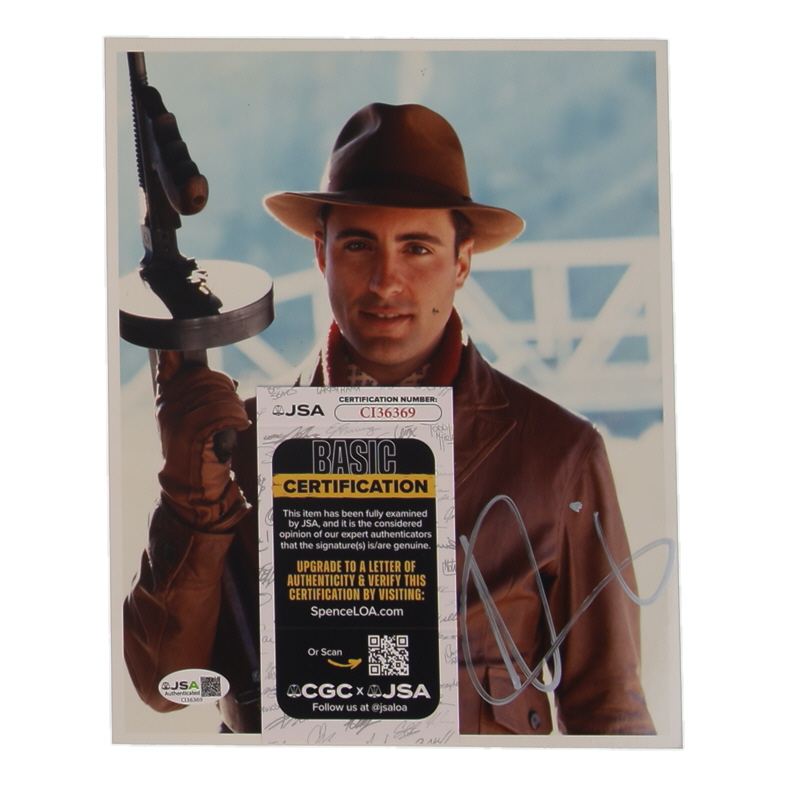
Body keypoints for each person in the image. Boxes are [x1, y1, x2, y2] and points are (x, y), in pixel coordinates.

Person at [124, 103, 655, 736]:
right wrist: (189, 502)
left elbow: (612, 712)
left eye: (417, 248)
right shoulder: (235, 445)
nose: (385, 281)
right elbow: (167, 687)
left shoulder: (559, 455)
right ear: (321, 254)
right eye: (358, 245)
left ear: (462, 262)